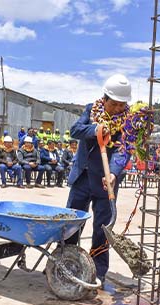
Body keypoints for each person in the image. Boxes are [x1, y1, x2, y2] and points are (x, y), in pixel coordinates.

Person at [64, 74, 132, 284]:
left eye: (123, 105)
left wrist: (112, 173)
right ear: (105, 99)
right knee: (71, 223)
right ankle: (65, 261)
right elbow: (75, 130)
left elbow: (124, 150)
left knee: (102, 228)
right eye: (115, 104)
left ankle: (98, 270)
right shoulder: (90, 110)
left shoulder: (129, 122)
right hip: (83, 177)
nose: (119, 109)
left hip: (106, 182)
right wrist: (95, 129)